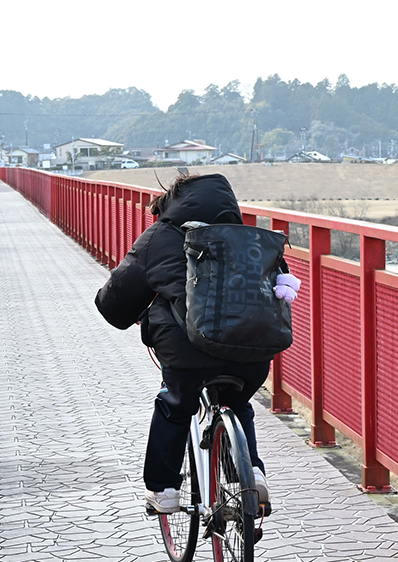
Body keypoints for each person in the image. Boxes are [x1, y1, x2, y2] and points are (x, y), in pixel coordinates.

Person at [94, 172, 296, 513]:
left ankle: (164, 490)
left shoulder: (159, 236)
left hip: (189, 354)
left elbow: (115, 305)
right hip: (253, 353)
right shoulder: (253, 240)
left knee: (174, 405)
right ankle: (252, 475)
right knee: (239, 403)